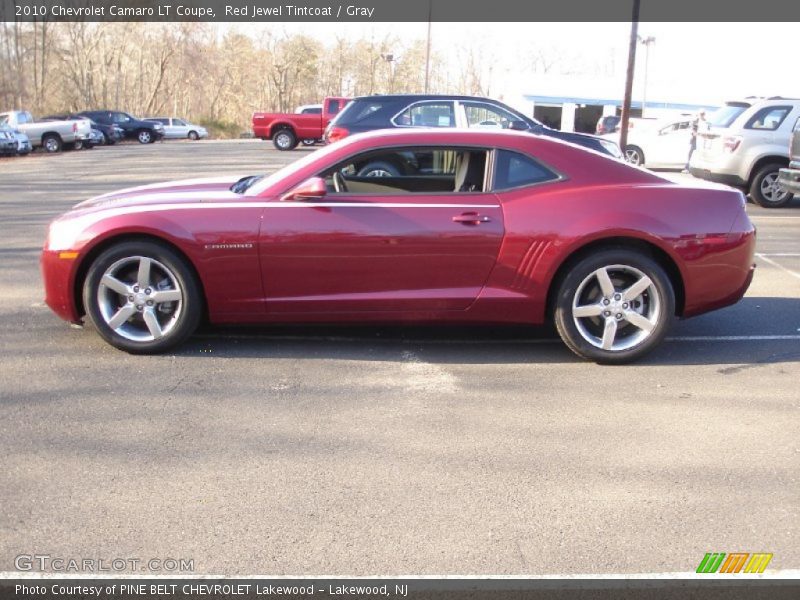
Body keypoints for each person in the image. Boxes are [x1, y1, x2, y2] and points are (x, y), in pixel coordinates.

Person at [683, 109, 707, 173]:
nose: (702, 115)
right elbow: (693, 130)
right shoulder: (695, 121)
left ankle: (700, 169)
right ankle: (687, 168)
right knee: (691, 153)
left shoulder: (706, 122)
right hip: (696, 140)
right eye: (701, 114)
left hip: (704, 140)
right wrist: (697, 135)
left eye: (703, 114)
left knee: (702, 154)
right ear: (698, 114)